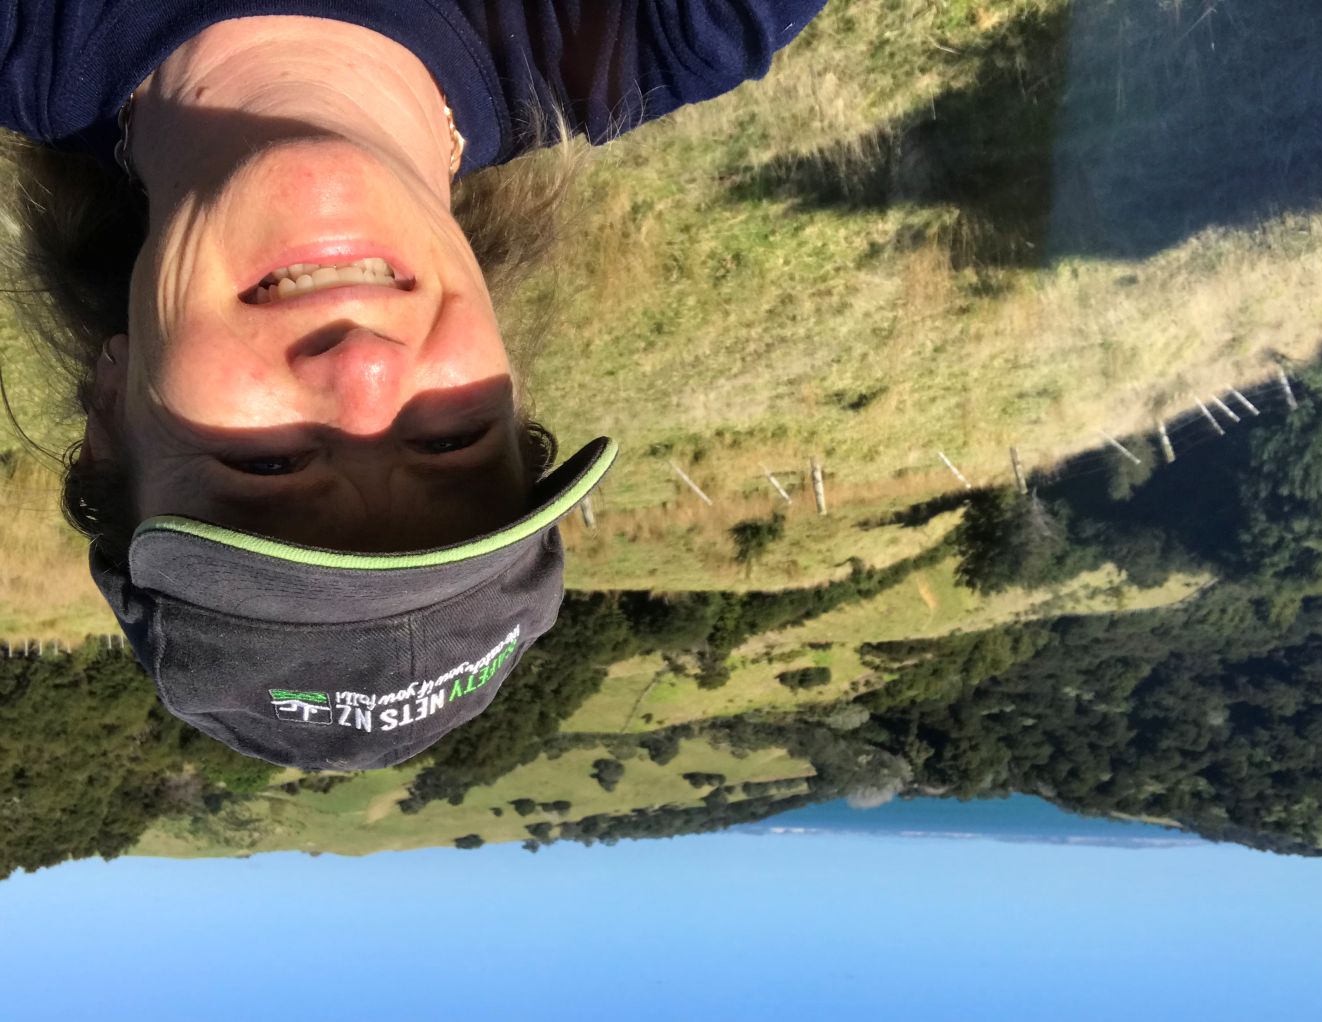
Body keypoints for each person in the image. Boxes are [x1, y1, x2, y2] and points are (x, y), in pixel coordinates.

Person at [0, 3, 829, 770]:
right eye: (448, 441)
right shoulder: (668, 24)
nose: (363, 369)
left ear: (111, 411)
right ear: (509, 386)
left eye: (269, 468)